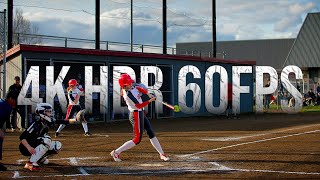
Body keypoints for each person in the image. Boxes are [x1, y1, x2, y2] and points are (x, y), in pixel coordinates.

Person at [110, 74, 169, 162]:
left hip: (140, 113)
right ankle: (116, 152)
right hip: (135, 114)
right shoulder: (128, 95)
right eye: (129, 83)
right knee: (137, 139)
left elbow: (138, 88)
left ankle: (162, 154)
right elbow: (138, 105)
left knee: (150, 132)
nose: (131, 84)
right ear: (124, 85)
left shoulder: (131, 87)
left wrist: (148, 94)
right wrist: (150, 100)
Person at [19, 103, 62, 171]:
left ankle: (40, 158)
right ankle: (30, 163)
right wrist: (29, 147)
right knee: (46, 140)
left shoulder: (46, 121)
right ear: (42, 112)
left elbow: (62, 121)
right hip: (26, 147)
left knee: (57, 146)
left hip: (36, 143)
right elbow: (22, 137)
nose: (50, 113)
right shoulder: (36, 124)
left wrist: (76, 119)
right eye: (47, 111)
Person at [0, 91, 17, 171]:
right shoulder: (5, 106)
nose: (16, 102)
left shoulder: (4, 103)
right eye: (15, 100)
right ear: (10, 98)